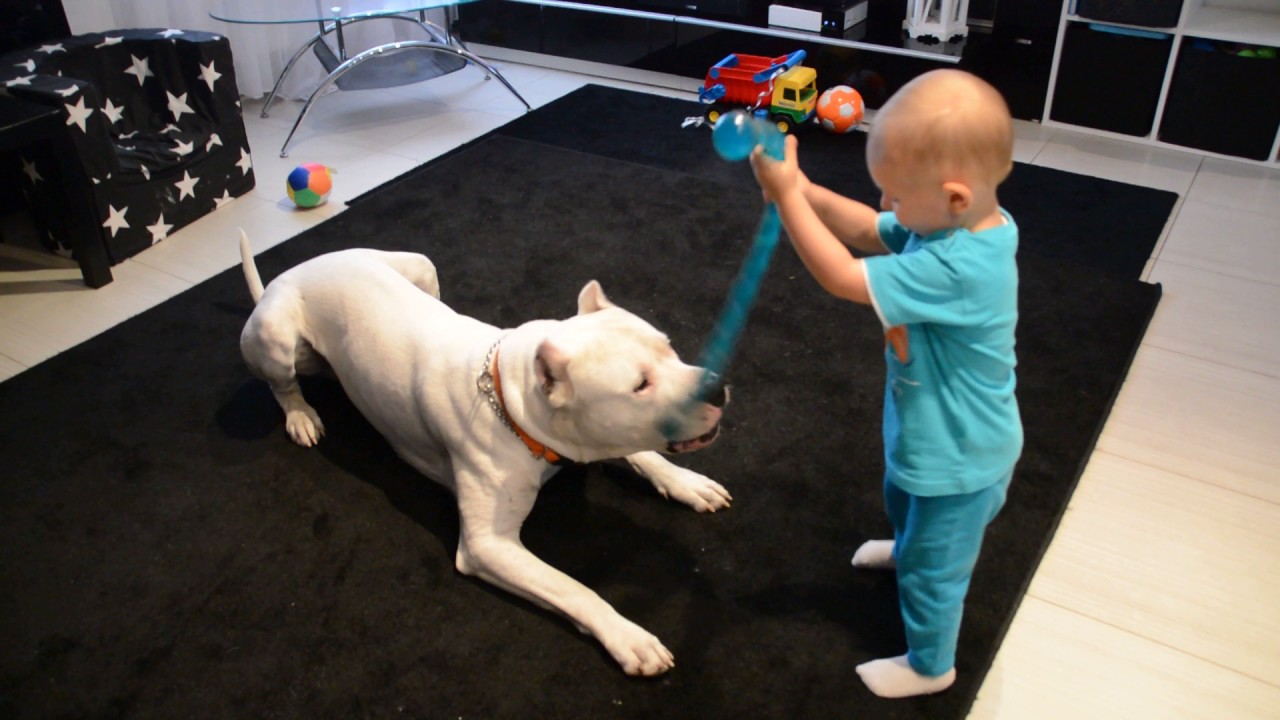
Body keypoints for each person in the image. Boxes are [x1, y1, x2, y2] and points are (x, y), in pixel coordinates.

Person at [749, 69, 1023, 699]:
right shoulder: (959, 223)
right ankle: (907, 546)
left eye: (896, 195)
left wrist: (787, 200)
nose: (887, 206)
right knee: (903, 499)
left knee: (936, 572)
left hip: (961, 457)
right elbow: (870, 231)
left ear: (953, 196)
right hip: (933, 432)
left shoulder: (957, 266)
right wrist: (808, 191)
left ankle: (931, 665)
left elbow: (844, 275)